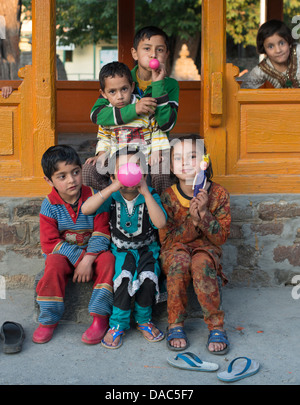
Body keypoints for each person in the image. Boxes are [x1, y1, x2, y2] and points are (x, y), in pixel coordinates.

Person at [81, 147, 167, 349]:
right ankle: (118, 323)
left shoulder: (150, 195)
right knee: (123, 281)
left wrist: (145, 191)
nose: (130, 171)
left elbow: (160, 223)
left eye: (136, 167)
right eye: (123, 169)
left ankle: (144, 320)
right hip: (120, 251)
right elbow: (86, 209)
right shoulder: (111, 197)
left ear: (144, 174)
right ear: (112, 176)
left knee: (148, 279)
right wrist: (112, 188)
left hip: (148, 250)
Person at [33, 145, 115, 345]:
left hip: (93, 256)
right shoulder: (49, 205)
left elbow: (103, 231)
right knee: (52, 263)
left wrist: (88, 259)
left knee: (109, 259)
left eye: (75, 172)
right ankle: (48, 321)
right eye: (62, 176)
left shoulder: (96, 197)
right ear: (49, 180)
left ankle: (100, 318)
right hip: (65, 258)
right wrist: (78, 259)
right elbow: (49, 243)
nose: (71, 180)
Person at [83, 26, 180, 194]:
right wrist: (135, 109)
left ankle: (158, 214)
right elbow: (98, 115)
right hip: (116, 151)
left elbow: (165, 125)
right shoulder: (121, 79)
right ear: (135, 53)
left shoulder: (170, 85)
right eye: (147, 48)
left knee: (162, 169)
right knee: (89, 170)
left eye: (160, 50)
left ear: (167, 54)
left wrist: (158, 84)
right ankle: (111, 205)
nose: (153, 55)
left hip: (151, 150)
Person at [159, 135, 231, 355]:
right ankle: (175, 323)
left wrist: (204, 217)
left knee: (200, 262)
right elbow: (167, 240)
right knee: (180, 262)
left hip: (207, 249)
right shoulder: (168, 197)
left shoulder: (217, 194)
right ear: (171, 165)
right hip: (176, 249)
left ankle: (216, 326)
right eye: (178, 158)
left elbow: (220, 239)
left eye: (192, 156)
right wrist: (193, 219)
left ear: (204, 161)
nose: (185, 162)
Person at [242, 19, 300, 89]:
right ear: (264, 49)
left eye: (282, 43)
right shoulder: (262, 69)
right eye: (271, 46)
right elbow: (245, 89)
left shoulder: (297, 51)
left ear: (289, 42)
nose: (278, 50)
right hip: (284, 99)